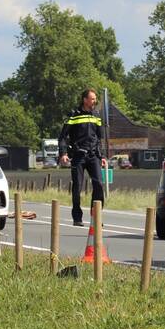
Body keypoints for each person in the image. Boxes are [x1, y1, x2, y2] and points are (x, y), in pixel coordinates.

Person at [57, 88, 108, 226]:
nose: (94, 101)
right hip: (78, 156)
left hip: (94, 156)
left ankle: (96, 217)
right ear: (85, 100)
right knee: (77, 187)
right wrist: (63, 153)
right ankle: (77, 217)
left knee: (98, 184)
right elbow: (62, 137)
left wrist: (102, 155)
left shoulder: (97, 115)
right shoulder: (74, 115)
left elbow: (99, 138)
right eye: (92, 99)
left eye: (95, 99)